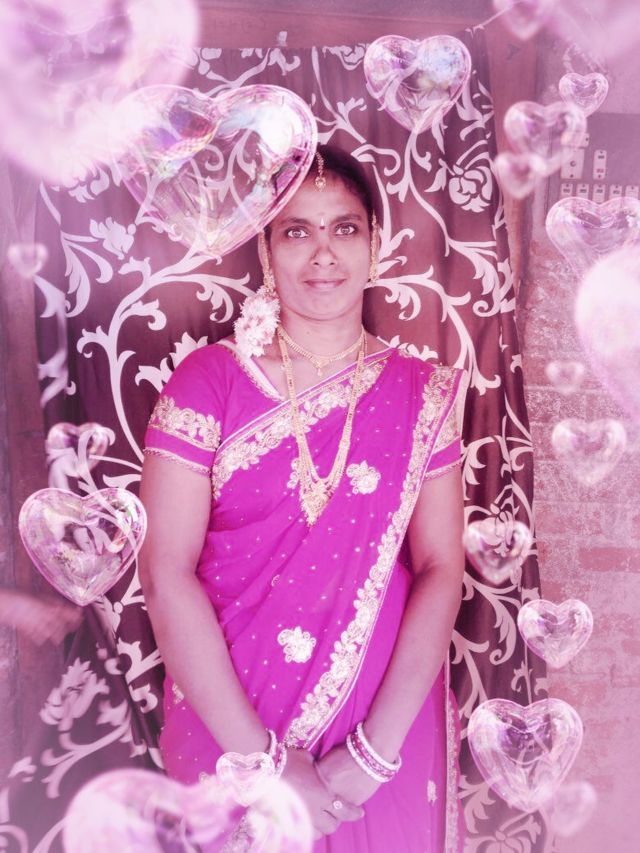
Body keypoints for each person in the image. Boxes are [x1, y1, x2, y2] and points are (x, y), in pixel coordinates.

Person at [139, 144, 467, 852]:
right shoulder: (208, 382)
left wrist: (374, 754)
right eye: (296, 231)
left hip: (384, 728)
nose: (323, 253)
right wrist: (262, 762)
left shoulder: (423, 393)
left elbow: (442, 566)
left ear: (374, 244)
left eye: (344, 228)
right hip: (232, 724)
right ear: (266, 249)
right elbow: (165, 572)